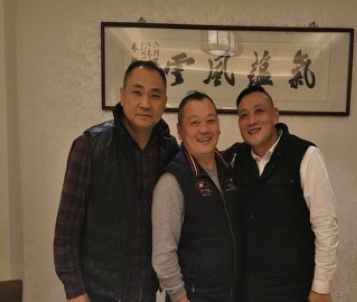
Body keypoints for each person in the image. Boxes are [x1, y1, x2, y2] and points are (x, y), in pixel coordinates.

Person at [54, 60, 179, 302]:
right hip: (97, 293)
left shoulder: (169, 150)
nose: (145, 103)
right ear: (122, 95)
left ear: (164, 103)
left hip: (146, 293)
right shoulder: (90, 146)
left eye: (155, 96)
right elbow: (65, 233)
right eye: (137, 92)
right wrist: (75, 291)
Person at [225, 85, 338, 302]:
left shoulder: (305, 155)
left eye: (259, 111)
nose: (251, 121)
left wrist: (322, 287)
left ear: (275, 115)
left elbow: (326, 225)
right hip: (247, 289)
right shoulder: (236, 159)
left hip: (293, 289)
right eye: (244, 115)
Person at [151, 91, 241, 302]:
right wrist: (180, 298)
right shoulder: (172, 182)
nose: (204, 129)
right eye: (194, 123)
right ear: (180, 130)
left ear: (219, 126)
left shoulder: (229, 171)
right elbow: (163, 256)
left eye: (211, 120)